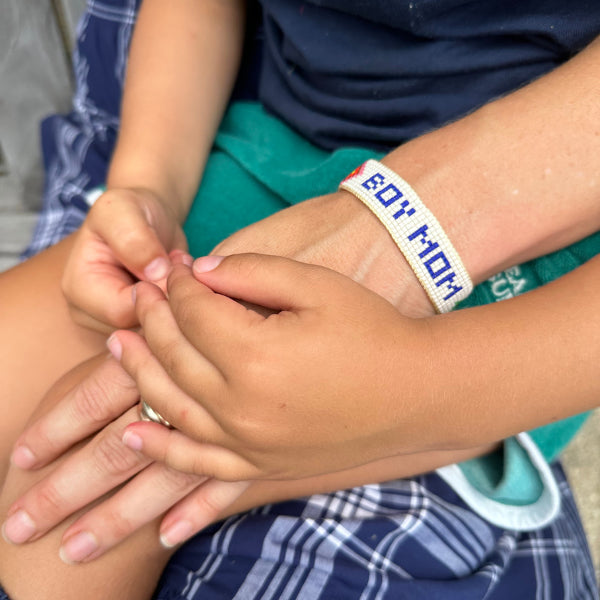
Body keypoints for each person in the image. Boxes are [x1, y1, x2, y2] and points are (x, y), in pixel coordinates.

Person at [0, 0, 599, 598]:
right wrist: (144, 183)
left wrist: (416, 387)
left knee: (68, 524)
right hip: (266, 148)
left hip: (533, 255)